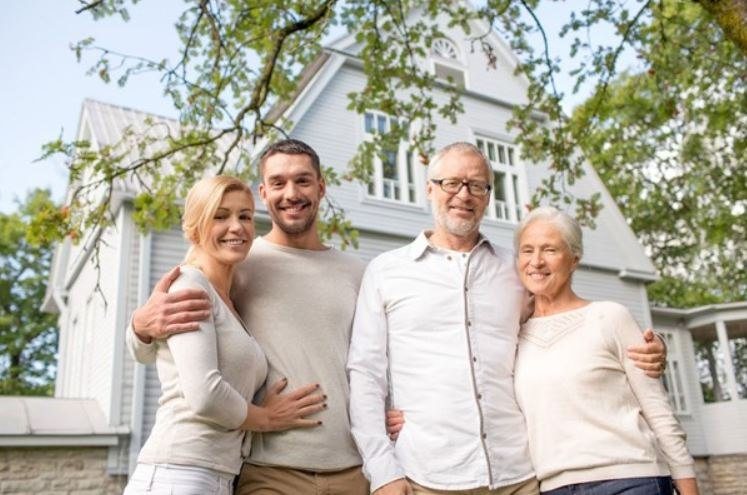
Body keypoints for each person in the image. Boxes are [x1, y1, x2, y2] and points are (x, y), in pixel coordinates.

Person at [347, 142, 668, 495]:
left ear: (487, 196)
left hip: (521, 475)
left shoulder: (516, 271)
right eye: (451, 183)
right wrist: (382, 470)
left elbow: (562, 326)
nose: (463, 195)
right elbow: (365, 374)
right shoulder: (387, 272)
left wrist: (648, 348)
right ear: (429, 189)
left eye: (477, 185)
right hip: (428, 475)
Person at [126, 140, 369, 494]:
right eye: (278, 182)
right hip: (265, 468)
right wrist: (138, 328)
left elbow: (378, 361)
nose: (291, 193)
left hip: (350, 466)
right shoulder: (234, 260)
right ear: (264, 192)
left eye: (303, 181)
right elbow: (161, 341)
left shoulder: (357, 273)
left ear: (321, 187)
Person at [510, 206, 697, 494]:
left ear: (574, 260)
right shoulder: (513, 335)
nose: (536, 261)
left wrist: (688, 486)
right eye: (527, 250)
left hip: (631, 479)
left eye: (549, 250)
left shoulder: (610, 317)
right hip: (554, 486)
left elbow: (658, 411)